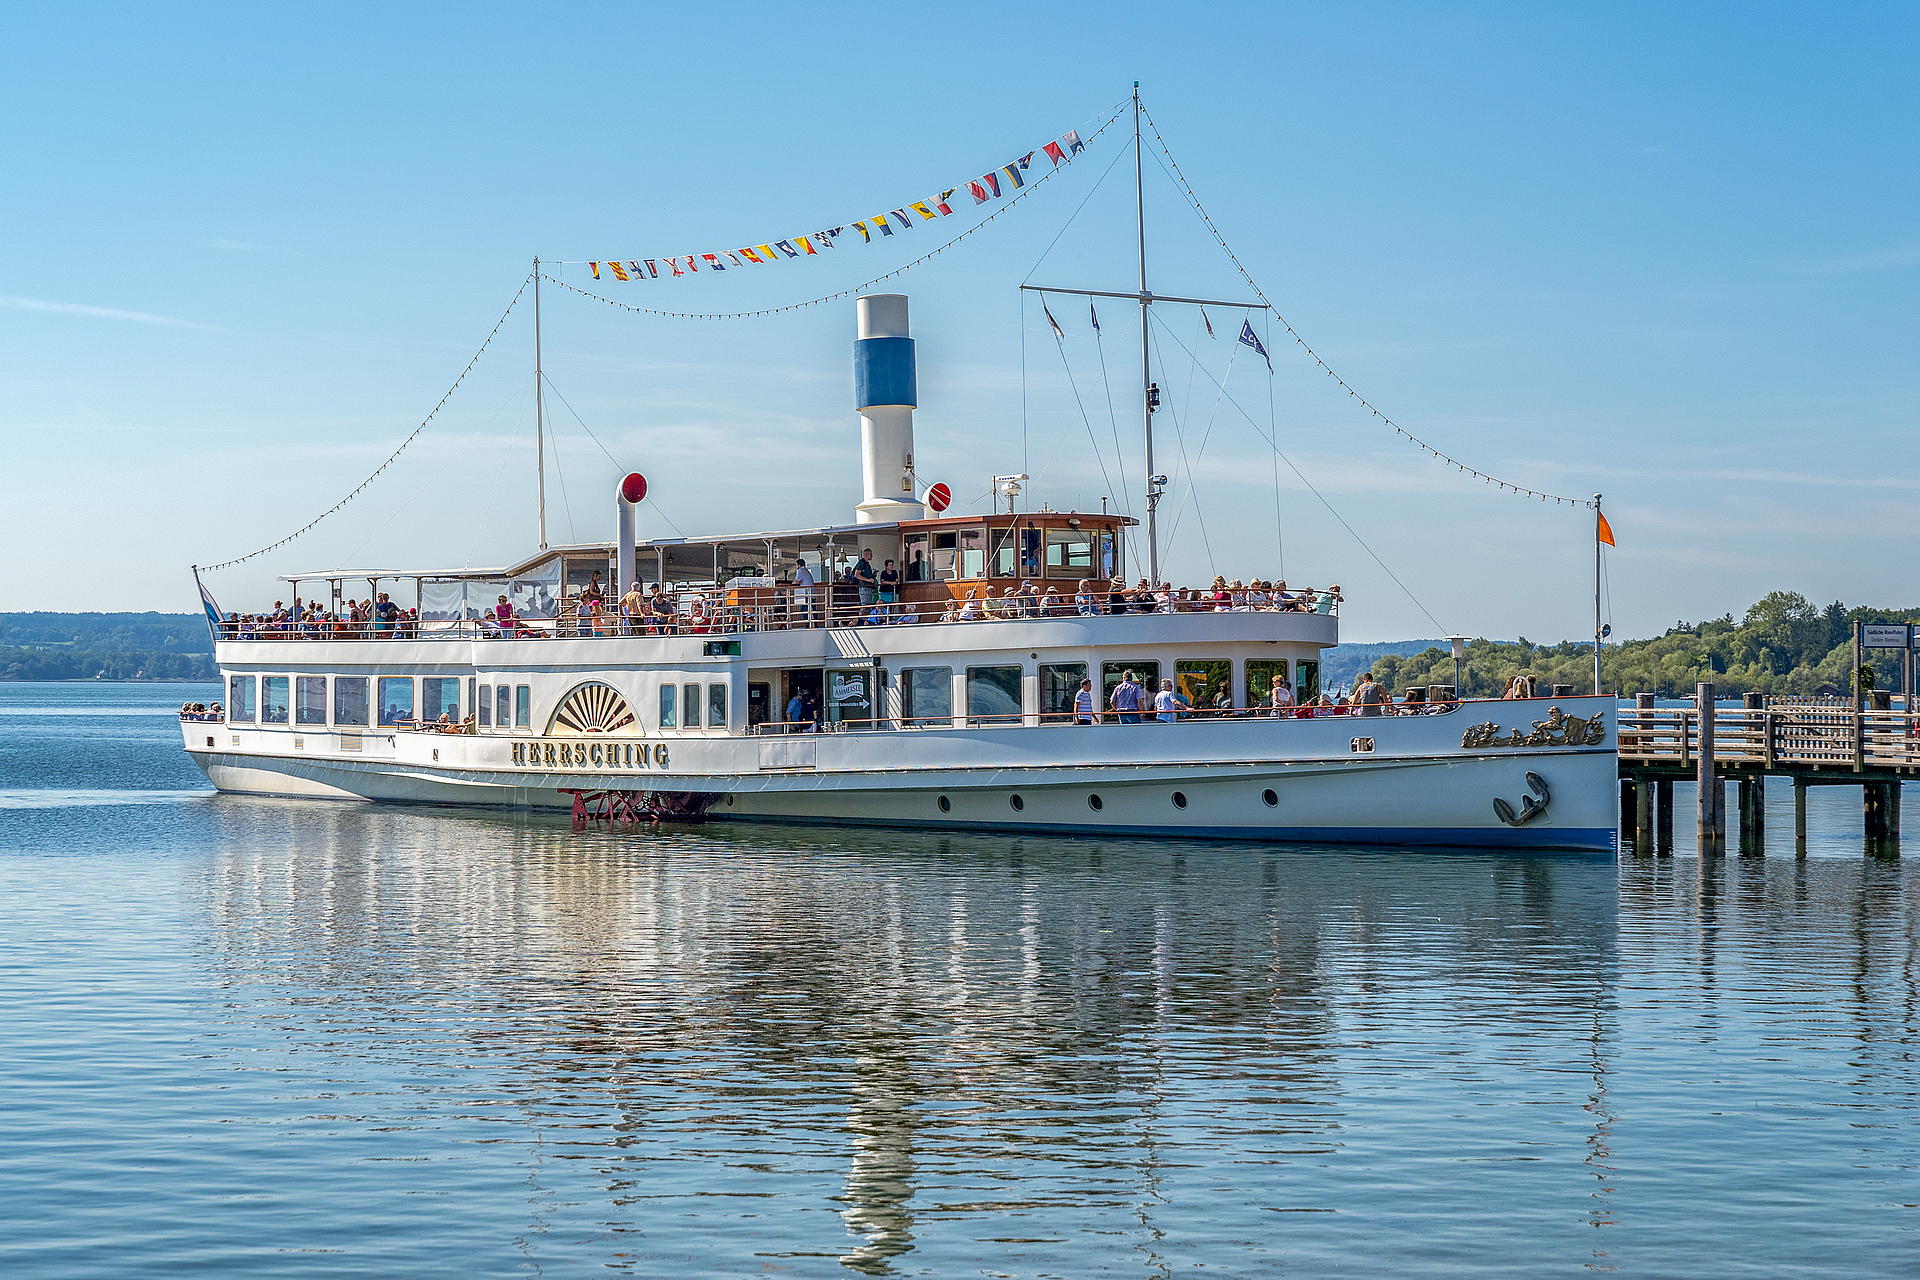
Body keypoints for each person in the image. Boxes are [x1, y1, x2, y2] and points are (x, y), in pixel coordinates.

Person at [791, 557, 816, 625]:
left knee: (803, 609)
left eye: (796, 565)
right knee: (813, 609)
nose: (796, 567)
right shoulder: (806, 570)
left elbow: (797, 581)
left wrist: (791, 583)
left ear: (799, 565)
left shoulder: (800, 570)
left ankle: (806, 624)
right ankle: (816, 624)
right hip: (812, 592)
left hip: (806, 593)